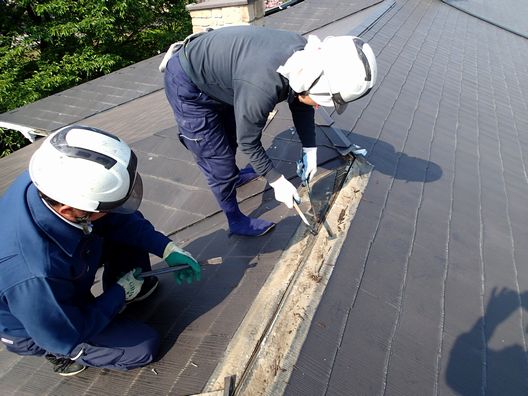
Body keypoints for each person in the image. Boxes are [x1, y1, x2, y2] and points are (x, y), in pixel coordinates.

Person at [0, 125, 201, 376]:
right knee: (142, 347)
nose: (114, 211)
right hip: (46, 324)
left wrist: (166, 247)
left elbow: (121, 220)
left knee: (121, 231)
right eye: (106, 207)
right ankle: (62, 356)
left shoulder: (55, 180)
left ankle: (120, 299)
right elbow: (68, 329)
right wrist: (118, 294)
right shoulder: (33, 274)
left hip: (65, 271)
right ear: (68, 210)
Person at [161, 25, 376, 237]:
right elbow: (249, 141)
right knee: (218, 161)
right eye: (319, 101)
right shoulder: (263, 84)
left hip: (224, 78)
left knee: (229, 139)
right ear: (311, 84)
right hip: (188, 86)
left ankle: (233, 176)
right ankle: (234, 219)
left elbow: (301, 102)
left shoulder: (304, 60)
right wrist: (276, 181)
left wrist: (310, 149)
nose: (318, 106)